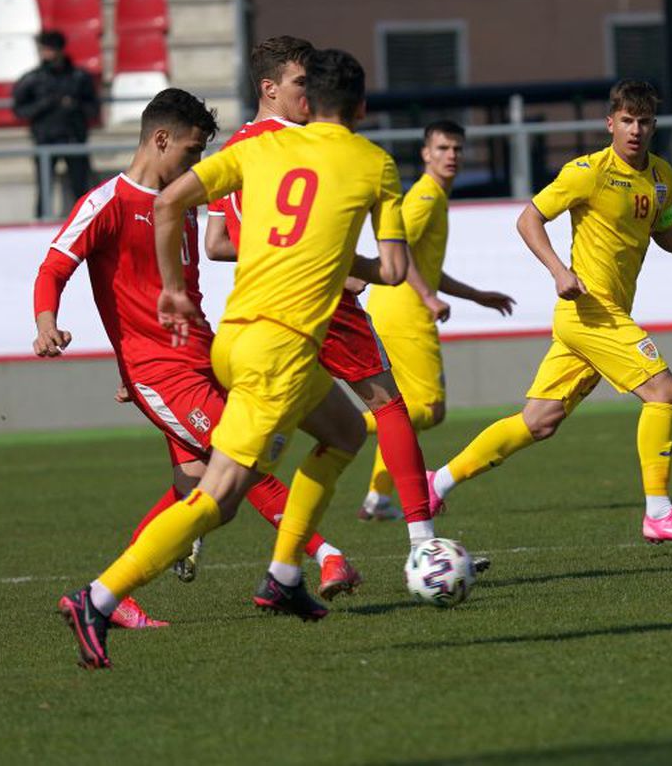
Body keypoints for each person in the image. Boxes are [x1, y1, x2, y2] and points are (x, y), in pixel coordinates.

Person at [57, 48, 410, 669]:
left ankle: (284, 574)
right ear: (359, 107)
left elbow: (171, 206)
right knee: (217, 498)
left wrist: (171, 286)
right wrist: (340, 262)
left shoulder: (256, 149)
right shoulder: (373, 163)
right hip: (280, 347)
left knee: (347, 430)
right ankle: (99, 597)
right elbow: (393, 270)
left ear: (308, 99)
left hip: (240, 338)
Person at [424, 80, 672, 547]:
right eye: (627, 120)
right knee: (664, 390)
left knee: (538, 421)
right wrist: (560, 271)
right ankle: (658, 511)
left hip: (601, 317)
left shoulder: (661, 172)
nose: (635, 130)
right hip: (589, 311)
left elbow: (662, 226)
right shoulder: (588, 172)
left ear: (654, 124)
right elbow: (529, 219)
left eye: (644, 121)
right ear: (610, 123)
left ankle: (436, 483)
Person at [203, 35, 443, 540]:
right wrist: (326, 259)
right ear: (269, 89)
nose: (308, 94)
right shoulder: (304, 146)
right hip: (320, 299)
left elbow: (216, 243)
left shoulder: (238, 147)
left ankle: (211, 534)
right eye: (299, 84)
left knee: (264, 443)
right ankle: (423, 542)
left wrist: (275, 255)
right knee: (388, 408)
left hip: (256, 311)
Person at [360, 120, 516, 518]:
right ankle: (347, 425)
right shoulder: (426, 197)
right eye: (443, 148)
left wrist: (477, 296)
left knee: (403, 408)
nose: (451, 156)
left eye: (457, 149)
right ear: (426, 153)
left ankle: (378, 498)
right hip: (404, 313)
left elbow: (428, 268)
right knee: (428, 408)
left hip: (397, 308)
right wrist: (427, 297)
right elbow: (399, 250)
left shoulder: (436, 198)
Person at [13, 30, 100, 219]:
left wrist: (74, 105)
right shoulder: (32, 79)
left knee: (81, 188)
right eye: (44, 49)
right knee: (44, 188)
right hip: (45, 140)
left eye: (49, 49)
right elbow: (19, 110)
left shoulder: (79, 77)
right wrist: (45, 104)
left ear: (59, 50)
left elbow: (93, 108)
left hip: (73, 138)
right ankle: (40, 224)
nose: (46, 53)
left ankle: (87, 224)